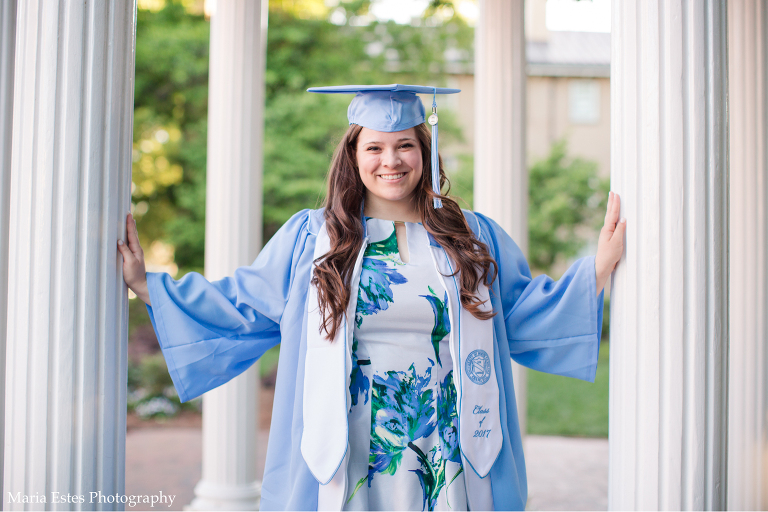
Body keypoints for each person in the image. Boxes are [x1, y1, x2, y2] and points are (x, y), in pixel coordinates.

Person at [118, 84, 626, 511]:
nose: (391, 161)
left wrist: (598, 269)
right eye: (375, 148)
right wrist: (148, 286)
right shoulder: (312, 238)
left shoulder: (472, 236)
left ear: (425, 153)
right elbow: (244, 304)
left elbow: (520, 309)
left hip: (446, 437)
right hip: (351, 438)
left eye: (405, 145)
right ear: (354, 156)